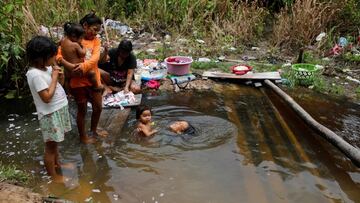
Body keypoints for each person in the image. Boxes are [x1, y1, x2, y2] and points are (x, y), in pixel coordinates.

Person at [26, 36, 72, 183]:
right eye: (51, 56)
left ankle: (58, 164)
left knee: (55, 143)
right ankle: (53, 176)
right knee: (50, 148)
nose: (54, 58)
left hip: (57, 110)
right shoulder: (34, 74)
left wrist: (60, 77)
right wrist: (53, 77)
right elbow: (46, 97)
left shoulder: (45, 69)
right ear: (40, 58)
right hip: (50, 114)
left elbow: (58, 86)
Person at [56, 12, 107, 144]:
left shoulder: (96, 41)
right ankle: (83, 137)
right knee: (82, 110)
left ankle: (94, 130)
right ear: (85, 25)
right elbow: (58, 56)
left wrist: (83, 67)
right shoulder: (72, 39)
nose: (95, 33)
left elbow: (95, 58)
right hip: (78, 81)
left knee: (98, 107)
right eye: (94, 29)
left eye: (98, 31)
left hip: (92, 78)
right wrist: (68, 65)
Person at [60, 22, 101, 92]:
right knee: (92, 73)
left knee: (67, 79)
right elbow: (82, 54)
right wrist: (84, 47)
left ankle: (68, 92)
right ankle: (96, 87)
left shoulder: (63, 41)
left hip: (67, 70)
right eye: (81, 38)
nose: (82, 40)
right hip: (77, 69)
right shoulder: (75, 45)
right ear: (73, 36)